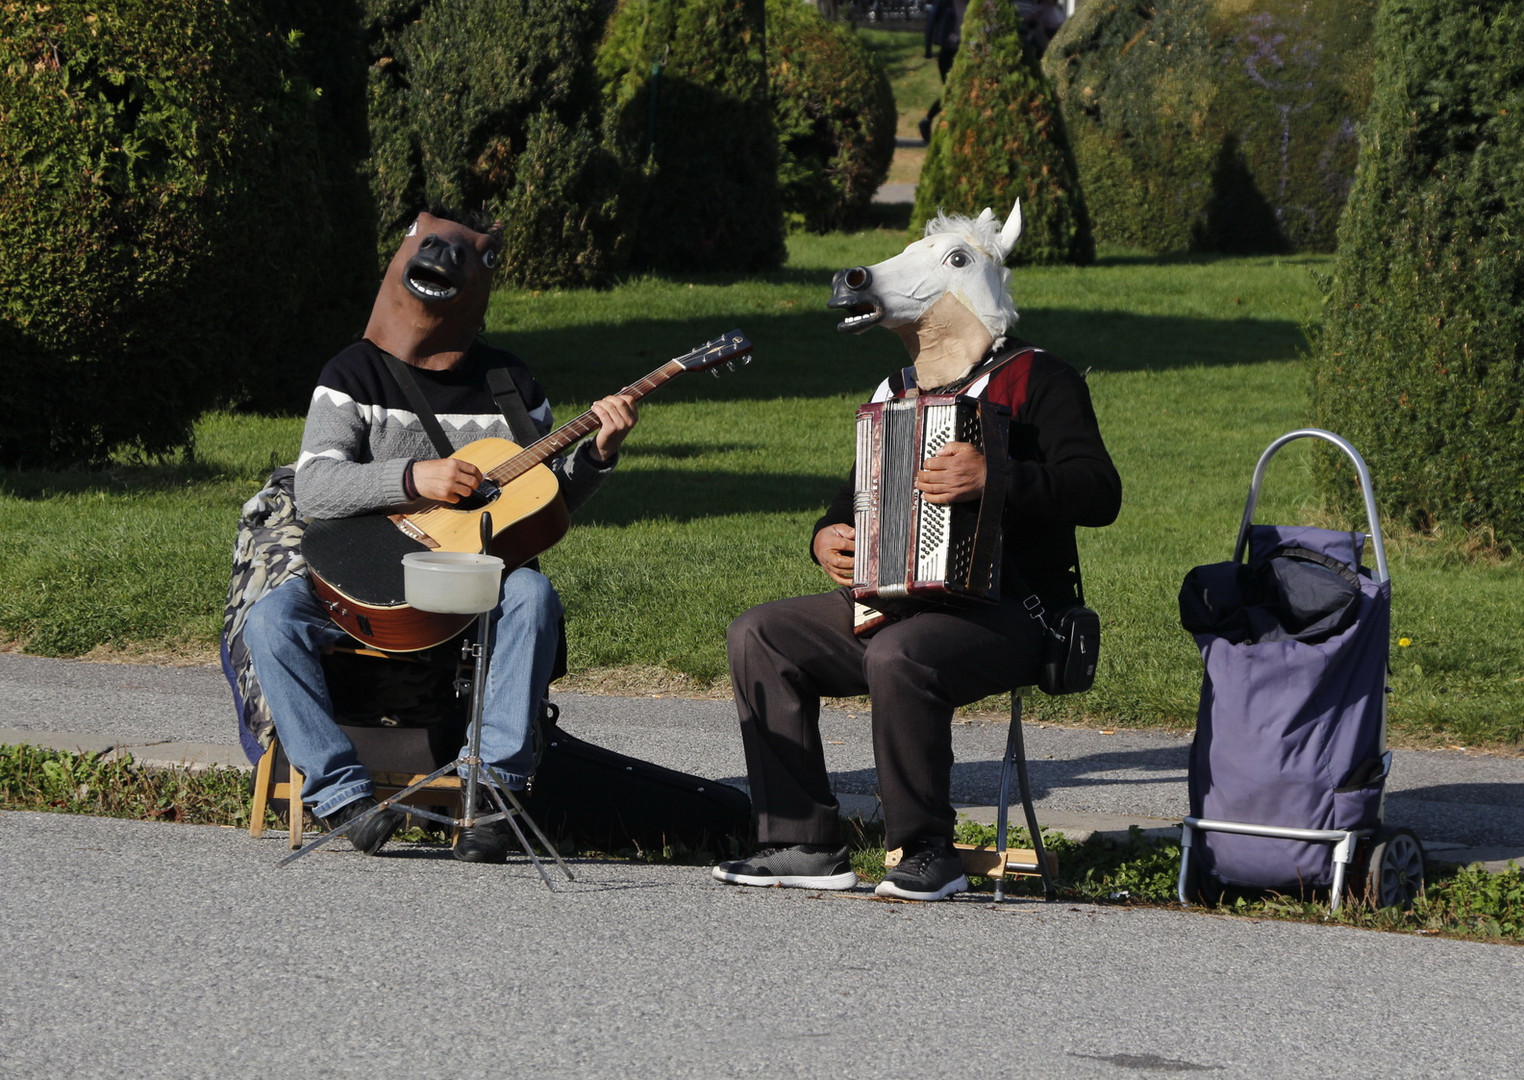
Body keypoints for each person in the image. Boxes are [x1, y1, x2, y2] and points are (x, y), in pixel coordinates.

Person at [712, 202, 1120, 901]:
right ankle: (803, 841)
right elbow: (852, 502)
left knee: (899, 655)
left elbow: (1099, 492)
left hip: (1015, 613)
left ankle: (926, 850)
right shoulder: (895, 392)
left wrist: (999, 478)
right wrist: (825, 538)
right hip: (895, 604)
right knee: (762, 634)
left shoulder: (1038, 379)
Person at [243, 208, 638, 861]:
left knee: (533, 598)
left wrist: (598, 454)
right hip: (365, 574)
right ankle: (342, 796)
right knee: (273, 621)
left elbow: (543, 502)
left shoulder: (510, 383)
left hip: (473, 580)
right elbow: (316, 489)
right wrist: (411, 478)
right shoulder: (352, 374)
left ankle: (494, 794)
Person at [919, 0, 968, 143]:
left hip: (965, 54)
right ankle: (931, 122)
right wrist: (928, 49)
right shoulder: (945, 3)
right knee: (952, 93)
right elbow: (931, 23)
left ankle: (933, 123)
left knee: (960, 93)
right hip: (948, 54)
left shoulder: (972, 4)